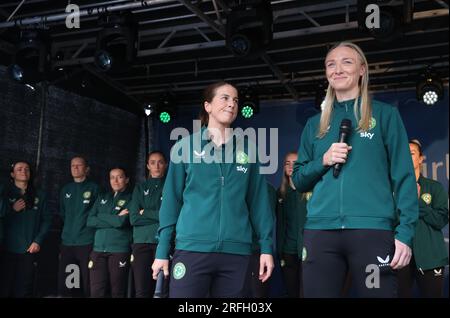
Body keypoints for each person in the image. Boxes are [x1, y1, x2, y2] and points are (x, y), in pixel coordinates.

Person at [292, 42, 419, 298]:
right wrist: (324, 160)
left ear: (362, 69)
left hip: (371, 232)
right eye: (331, 64)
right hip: (320, 233)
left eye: (346, 62)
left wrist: (404, 233)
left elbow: (404, 177)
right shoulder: (315, 124)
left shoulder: (385, 115)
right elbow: (298, 179)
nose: (337, 69)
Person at [151, 81, 275, 298]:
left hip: (236, 252)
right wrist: (162, 251)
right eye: (225, 98)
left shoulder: (248, 149)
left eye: (235, 100)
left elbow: (258, 203)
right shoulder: (184, 148)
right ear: (207, 106)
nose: (232, 104)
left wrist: (266, 247)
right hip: (192, 248)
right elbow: (171, 202)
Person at [398, 139, 449, 298]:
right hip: (400, 258)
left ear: (421, 159)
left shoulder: (434, 187)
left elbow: (440, 220)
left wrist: (417, 202)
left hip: (430, 259)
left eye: (412, 153)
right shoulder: (394, 188)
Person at [0, 161, 52, 297]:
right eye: (19, 169)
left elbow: (47, 220)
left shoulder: (40, 195)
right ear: (12, 174)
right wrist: (12, 209)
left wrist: (38, 241)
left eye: (27, 169)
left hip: (28, 250)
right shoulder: (5, 193)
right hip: (7, 249)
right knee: (4, 287)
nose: (23, 171)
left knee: (23, 289)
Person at [87, 167, 132, 298]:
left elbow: (121, 222)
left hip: (119, 250)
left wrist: (101, 216)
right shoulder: (103, 197)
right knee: (96, 291)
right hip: (98, 250)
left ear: (127, 179)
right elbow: (90, 220)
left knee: (117, 291)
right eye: (112, 177)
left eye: (120, 177)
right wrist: (115, 218)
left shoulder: (131, 197)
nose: (115, 180)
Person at [58, 156, 100, 297]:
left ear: (86, 169)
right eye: (72, 165)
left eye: (79, 165)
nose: (75, 168)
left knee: (87, 280)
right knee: (70, 278)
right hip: (68, 242)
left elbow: (97, 214)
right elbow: (63, 214)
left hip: (86, 241)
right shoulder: (66, 189)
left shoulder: (94, 188)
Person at [128, 151, 167, 298]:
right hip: (141, 243)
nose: (156, 166)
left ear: (165, 164)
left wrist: (145, 212)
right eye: (152, 162)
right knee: (141, 291)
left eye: (160, 162)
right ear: (147, 166)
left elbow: (169, 216)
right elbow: (134, 218)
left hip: (162, 242)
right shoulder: (140, 188)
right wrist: (157, 216)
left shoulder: (170, 185)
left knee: (162, 290)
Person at [277, 151, 308, 298]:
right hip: (287, 251)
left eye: (295, 163)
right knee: (291, 292)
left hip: (306, 250)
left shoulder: (309, 192)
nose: (290, 167)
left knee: (306, 291)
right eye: (287, 164)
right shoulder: (281, 193)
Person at [249, 181, 277, 298]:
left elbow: (267, 219)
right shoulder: (236, 183)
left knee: (258, 293)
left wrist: (265, 248)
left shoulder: (268, 190)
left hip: (257, 250)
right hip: (235, 249)